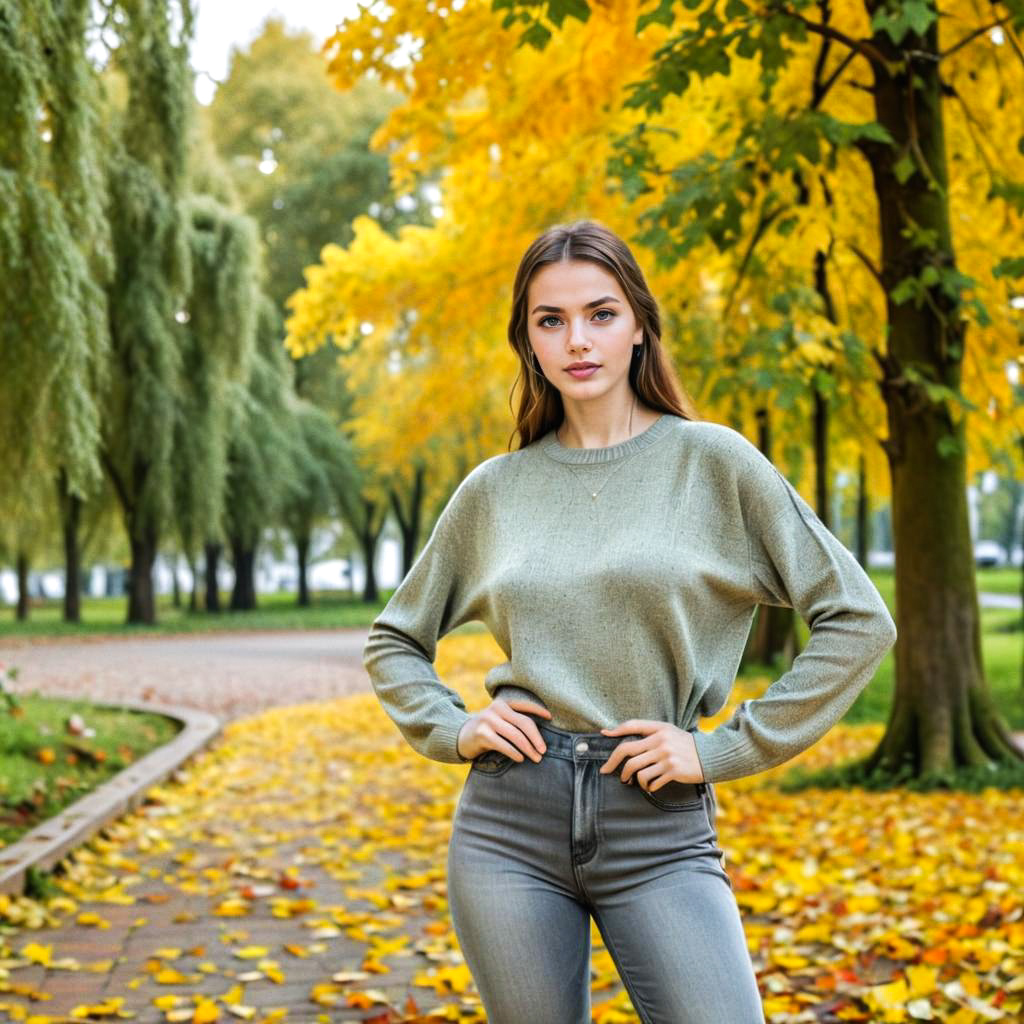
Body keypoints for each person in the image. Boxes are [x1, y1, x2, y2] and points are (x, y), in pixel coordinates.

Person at [361, 219, 898, 1024]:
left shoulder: (714, 463)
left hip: (656, 817)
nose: (578, 339)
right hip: (510, 824)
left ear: (639, 324)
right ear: (529, 340)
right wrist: (454, 728)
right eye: (551, 320)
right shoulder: (495, 490)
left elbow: (858, 620)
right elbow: (394, 640)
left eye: (601, 313)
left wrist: (724, 748)